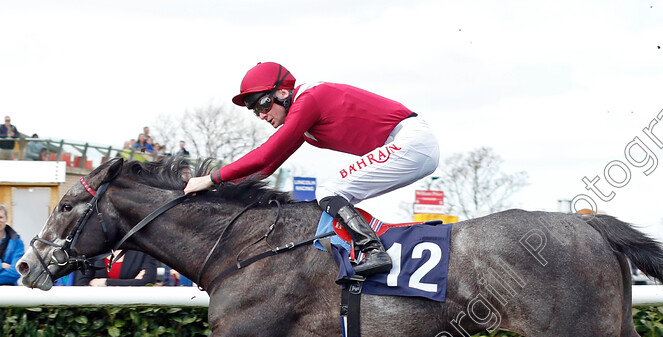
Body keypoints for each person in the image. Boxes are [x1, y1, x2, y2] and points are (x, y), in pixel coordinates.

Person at [183, 62, 439, 276]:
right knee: (337, 195)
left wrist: (210, 178)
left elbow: (265, 155)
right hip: (408, 145)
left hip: (410, 141)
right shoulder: (303, 120)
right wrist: (222, 191)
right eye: (254, 112)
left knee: (329, 190)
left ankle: (373, 250)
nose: (261, 115)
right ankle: (369, 247)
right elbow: (267, 167)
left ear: (283, 93)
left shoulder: (309, 99)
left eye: (262, 105)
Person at [76, 249, 158, 286]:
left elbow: (147, 282)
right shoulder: (93, 251)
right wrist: (133, 282)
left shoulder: (144, 251)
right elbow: (81, 284)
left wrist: (105, 282)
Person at [0, 204, 25, 285]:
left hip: (10, 292)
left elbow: (16, 271)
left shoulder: (17, 242)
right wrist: (1, 265)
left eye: (1, 217)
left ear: (6, 218)